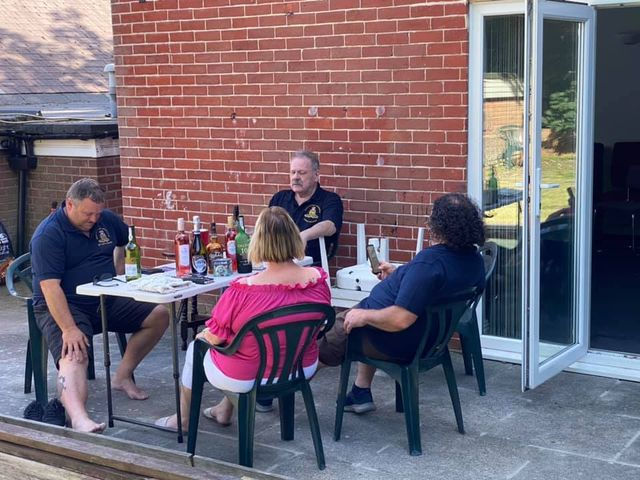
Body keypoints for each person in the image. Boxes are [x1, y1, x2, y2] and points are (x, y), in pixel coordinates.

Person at [155, 206, 331, 430]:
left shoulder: (242, 290)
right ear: (295, 237)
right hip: (300, 367)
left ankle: (183, 419)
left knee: (197, 349)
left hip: (248, 376)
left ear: (258, 242)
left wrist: (203, 335)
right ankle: (224, 410)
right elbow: (321, 325)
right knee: (247, 343)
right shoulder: (318, 280)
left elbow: (215, 337)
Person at [318, 193, 486, 413]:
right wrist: (399, 276)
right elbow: (430, 287)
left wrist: (364, 316)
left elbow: (400, 319)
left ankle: (286, 383)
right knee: (364, 311)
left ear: (439, 226)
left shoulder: (430, 263)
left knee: (324, 342)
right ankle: (360, 391)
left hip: (398, 339)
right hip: (431, 339)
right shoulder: (473, 260)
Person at [30, 178, 169, 433]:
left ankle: (122, 376)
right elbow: (50, 288)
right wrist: (69, 329)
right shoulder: (48, 234)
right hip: (65, 304)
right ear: (69, 204)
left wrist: (119, 270)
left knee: (159, 314)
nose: (94, 219)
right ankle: (79, 418)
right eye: (88, 214)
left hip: (105, 297)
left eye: (98, 213)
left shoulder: (105, 220)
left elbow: (126, 239)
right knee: (74, 352)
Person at [269, 150, 343, 265]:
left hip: (311, 265)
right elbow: (266, 226)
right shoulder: (279, 198)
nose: (295, 177)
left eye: (302, 173)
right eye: (293, 172)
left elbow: (330, 226)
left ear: (316, 176)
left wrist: (305, 235)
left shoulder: (329, 199)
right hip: (277, 261)